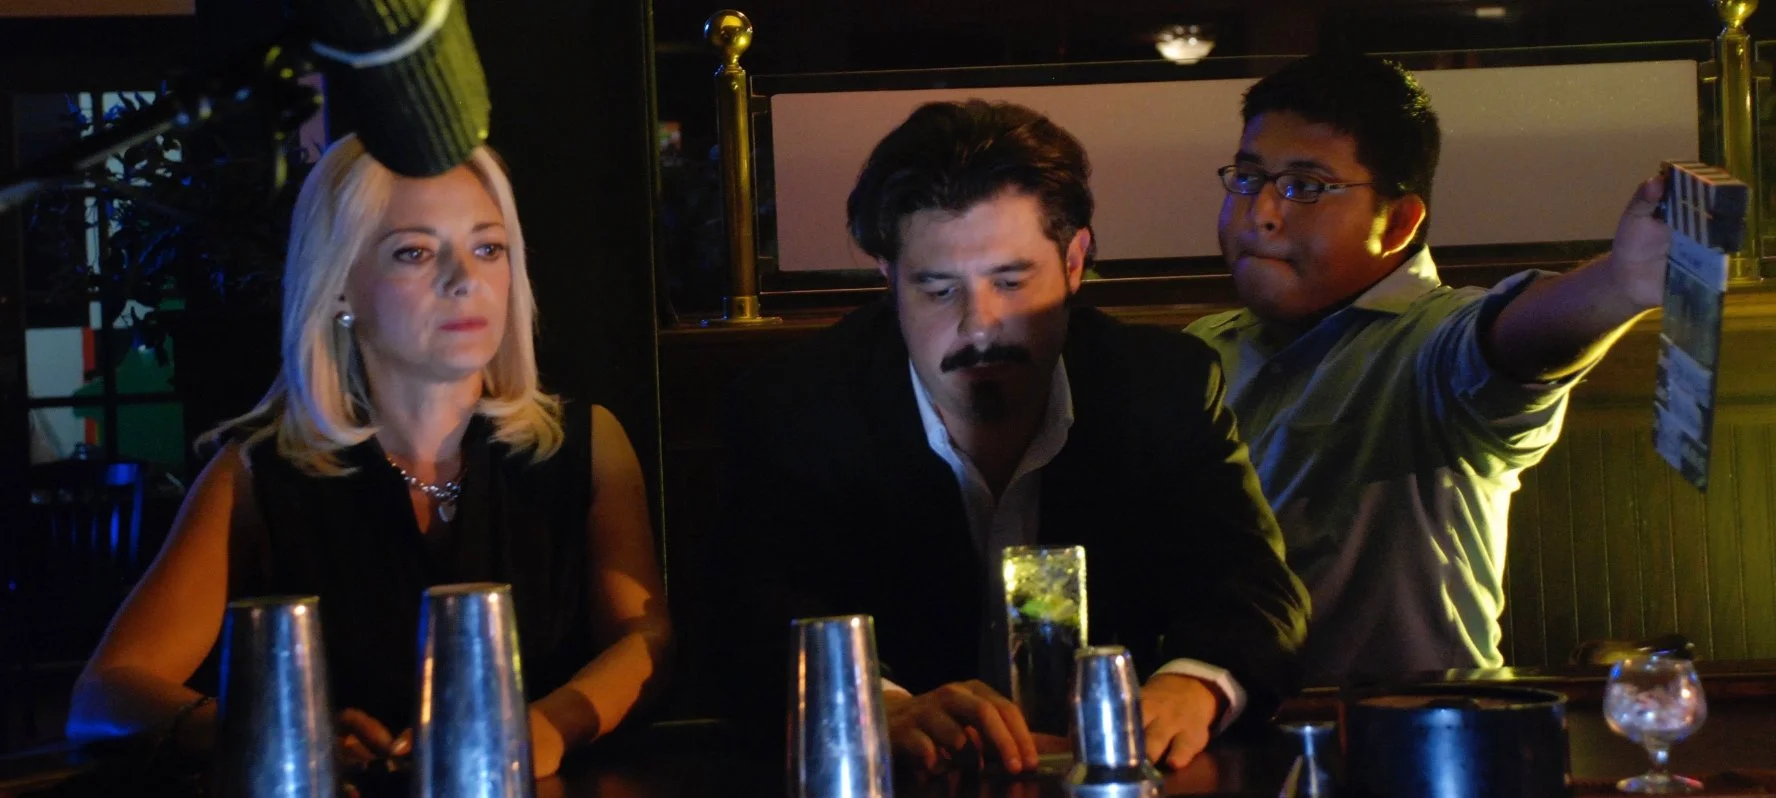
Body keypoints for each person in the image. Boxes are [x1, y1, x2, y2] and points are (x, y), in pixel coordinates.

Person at [717, 99, 1309, 774]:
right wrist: (875, 707)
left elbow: (1256, 590)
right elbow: (747, 619)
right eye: (939, 290)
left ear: (1075, 260)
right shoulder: (799, 406)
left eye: (1010, 281)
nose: (980, 326)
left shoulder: (1156, 386)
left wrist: (1192, 687)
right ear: (889, 278)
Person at [66, 135, 672, 779]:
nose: (465, 280)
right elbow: (106, 694)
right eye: (415, 252)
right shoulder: (258, 476)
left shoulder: (584, 446)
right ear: (338, 289)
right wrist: (282, 735)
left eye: (488, 248)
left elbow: (647, 640)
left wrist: (548, 726)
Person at [1186, 54, 1671, 685]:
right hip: (1224, 723)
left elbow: (1515, 343)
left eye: (1306, 186)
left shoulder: (1430, 340)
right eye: (1250, 179)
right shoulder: (1203, 350)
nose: (1262, 212)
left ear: (1399, 223)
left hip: (1420, 732)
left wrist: (1619, 285)